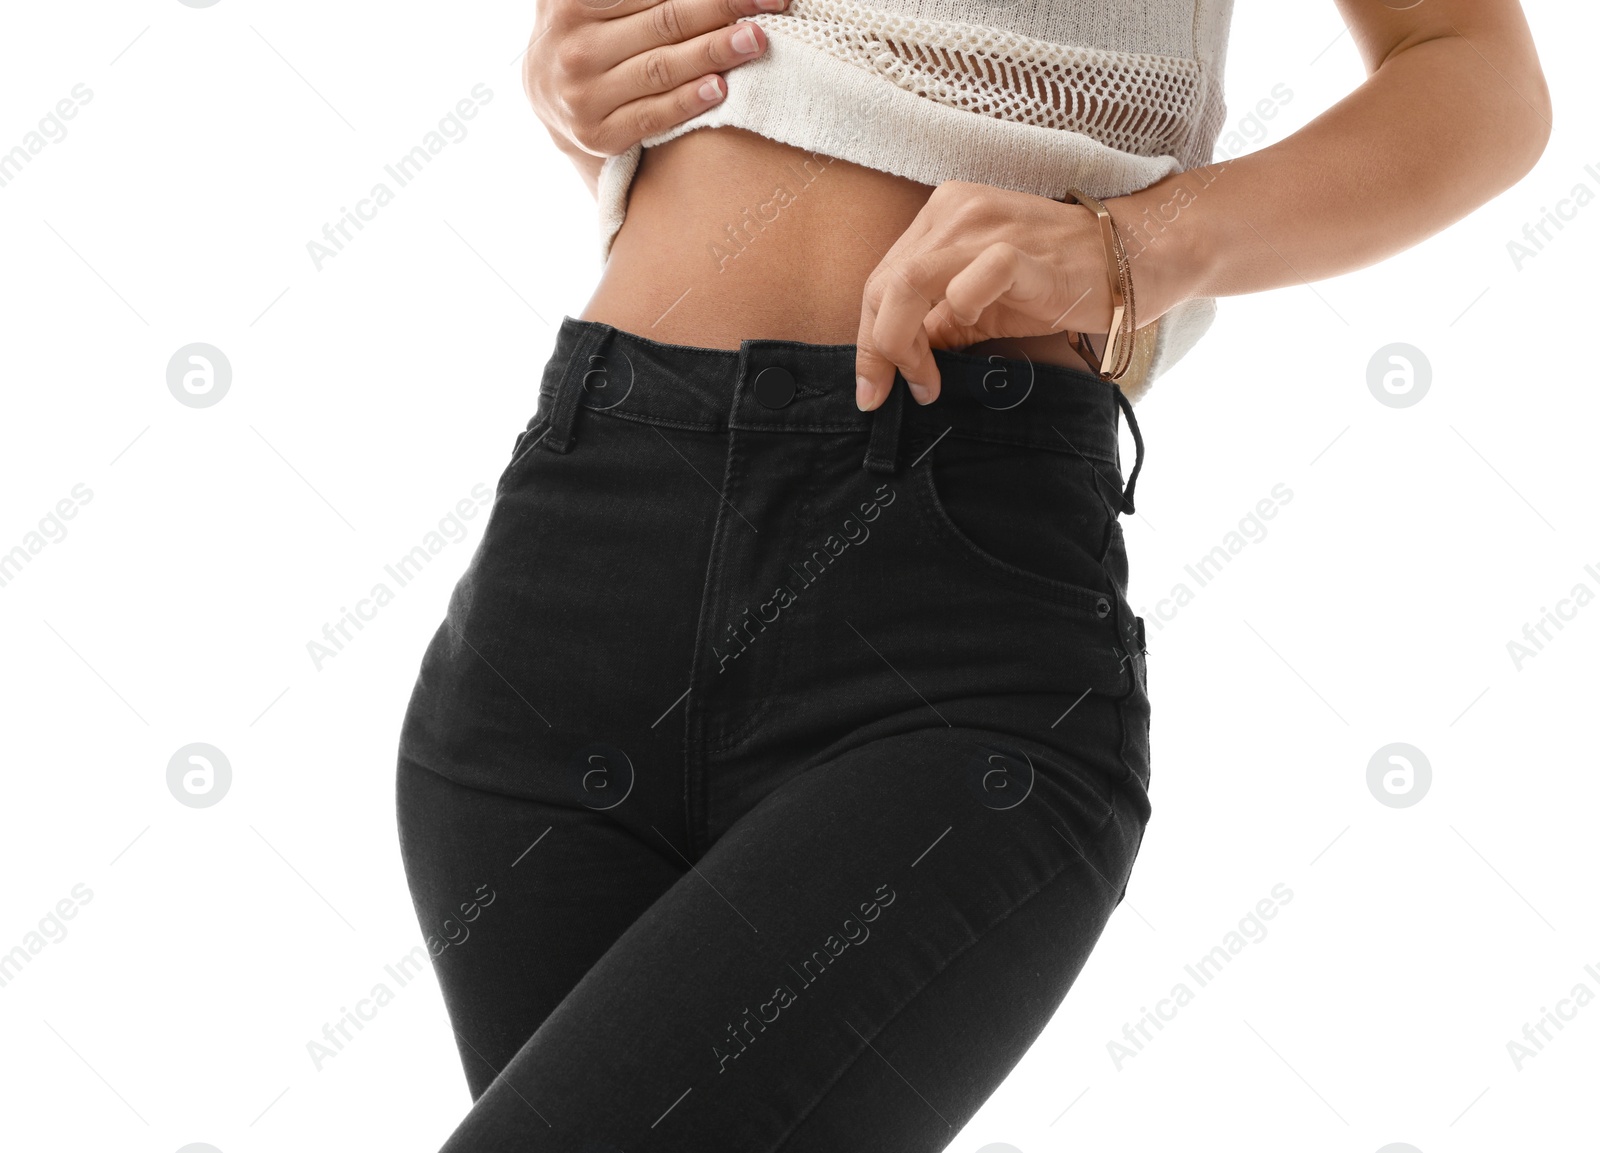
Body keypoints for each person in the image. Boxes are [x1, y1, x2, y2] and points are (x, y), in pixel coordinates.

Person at [395, 1, 1550, 1149]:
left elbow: (1476, 78)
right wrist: (567, 73)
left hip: (943, 598)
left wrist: (1135, 248)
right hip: (574, 558)